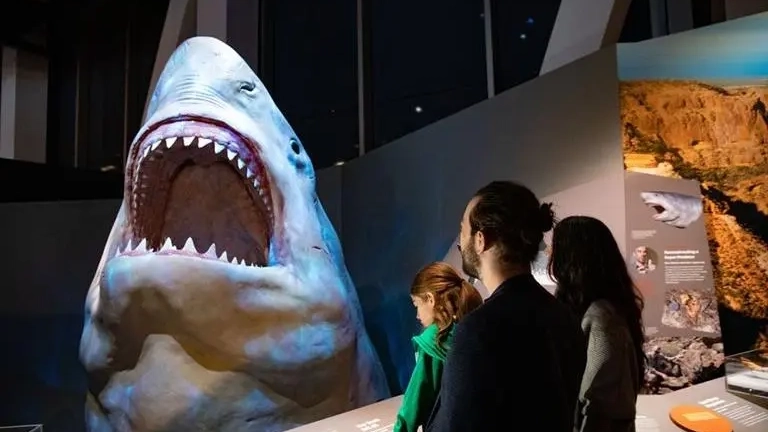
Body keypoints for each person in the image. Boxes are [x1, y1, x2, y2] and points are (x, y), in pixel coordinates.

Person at [426, 181, 586, 432]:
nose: (461, 242)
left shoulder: (479, 330)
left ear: (481, 239)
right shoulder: (562, 315)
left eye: (463, 231)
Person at [548, 216, 646, 432]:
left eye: (557, 249)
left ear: (573, 257)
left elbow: (598, 406)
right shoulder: (596, 310)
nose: (550, 255)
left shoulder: (603, 318)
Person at [394, 261, 483, 432]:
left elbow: (414, 403)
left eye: (417, 305)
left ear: (430, 299)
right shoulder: (473, 328)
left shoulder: (433, 341)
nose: (417, 315)